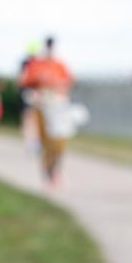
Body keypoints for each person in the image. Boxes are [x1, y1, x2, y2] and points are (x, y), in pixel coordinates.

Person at [19, 37, 75, 186]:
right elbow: (25, 82)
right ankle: (47, 172)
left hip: (57, 108)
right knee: (46, 142)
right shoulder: (36, 64)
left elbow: (68, 82)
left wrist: (59, 89)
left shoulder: (59, 64)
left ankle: (55, 170)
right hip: (42, 107)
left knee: (59, 142)